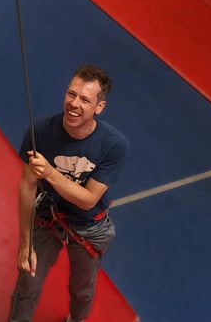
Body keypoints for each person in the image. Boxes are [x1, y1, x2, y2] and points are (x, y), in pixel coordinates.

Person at [9, 64, 129, 322]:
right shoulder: (39, 132)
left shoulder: (113, 145)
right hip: (48, 213)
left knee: (82, 290)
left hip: (89, 224)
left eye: (85, 99)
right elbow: (27, 186)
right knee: (26, 283)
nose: (74, 104)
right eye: (71, 94)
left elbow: (88, 201)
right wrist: (25, 243)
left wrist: (50, 173)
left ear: (99, 107)